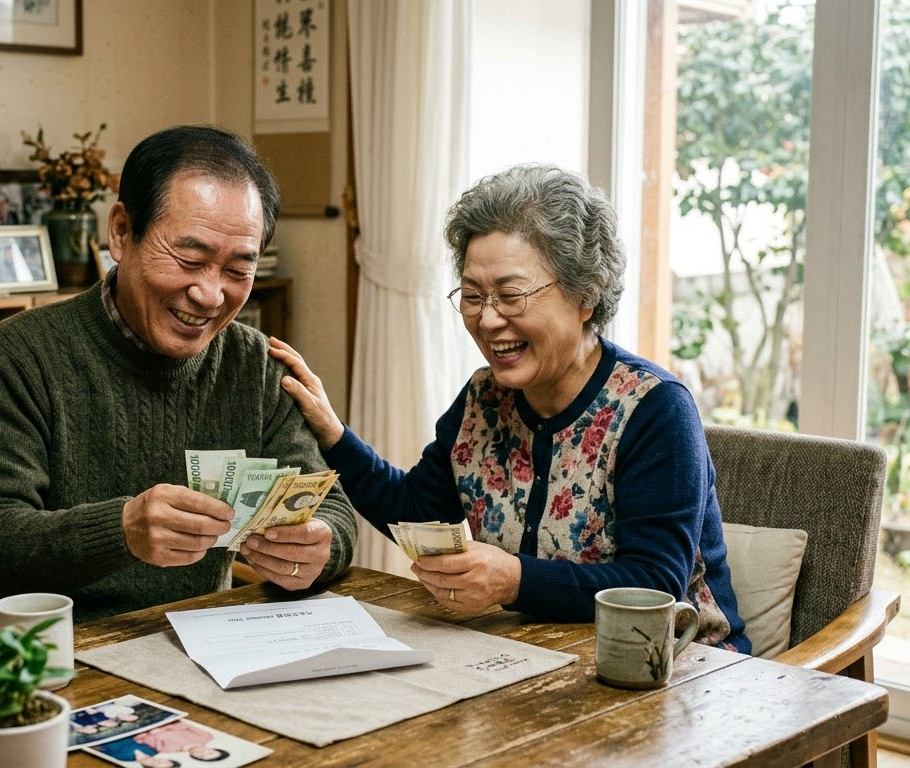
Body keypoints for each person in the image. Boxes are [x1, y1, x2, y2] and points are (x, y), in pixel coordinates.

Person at [268, 164, 750, 653]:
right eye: (473, 296)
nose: (487, 318)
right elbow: (416, 512)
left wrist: (514, 580)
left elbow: (654, 584)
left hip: (680, 669)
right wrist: (333, 433)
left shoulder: (654, 408)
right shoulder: (483, 399)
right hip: (534, 658)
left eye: (511, 295)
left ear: (586, 294)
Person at [0, 124, 357, 624]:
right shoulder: (18, 356)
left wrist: (320, 547)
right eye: (189, 258)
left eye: (237, 271)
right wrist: (120, 531)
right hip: (53, 651)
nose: (210, 295)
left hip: (203, 642)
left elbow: (331, 510)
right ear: (121, 232)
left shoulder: (256, 364)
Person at [133, 720, 229, 762]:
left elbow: (143, 739)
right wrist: (164, 729)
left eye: (201, 757)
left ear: (195, 757)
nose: (202, 753)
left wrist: (149, 734)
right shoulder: (206, 737)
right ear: (213, 748)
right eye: (209, 752)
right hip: (164, 720)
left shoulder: (169, 751)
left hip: (141, 727)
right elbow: (185, 724)